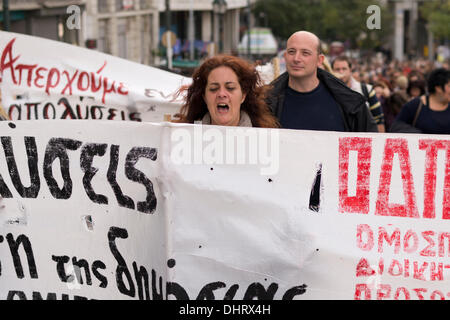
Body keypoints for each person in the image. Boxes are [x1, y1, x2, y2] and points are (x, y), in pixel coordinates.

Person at [266, 31, 377, 132]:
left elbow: (372, 144)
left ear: (320, 60)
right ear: (285, 57)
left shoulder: (350, 103)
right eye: (291, 52)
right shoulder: (266, 103)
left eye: (305, 53)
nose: (296, 58)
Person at [175, 55, 279, 128]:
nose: (221, 94)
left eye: (230, 88)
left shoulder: (265, 141)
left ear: (243, 95)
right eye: (214, 89)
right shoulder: (184, 141)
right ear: (204, 97)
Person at [332, 55, 386, 132]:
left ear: (350, 70)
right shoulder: (328, 92)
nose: (341, 72)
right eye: (337, 69)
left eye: (344, 69)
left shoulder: (366, 90)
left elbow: (378, 119)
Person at [391, 68, 450, 134]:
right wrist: (418, 136)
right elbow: (396, 127)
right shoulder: (415, 106)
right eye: (449, 86)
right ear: (438, 88)